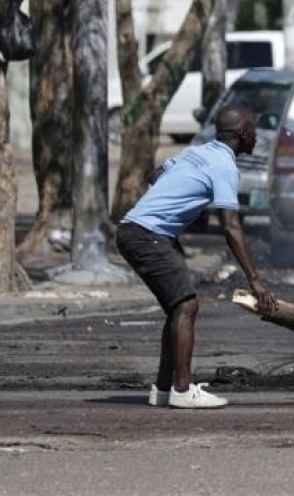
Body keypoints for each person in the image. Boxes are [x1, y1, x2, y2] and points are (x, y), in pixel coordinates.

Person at [116, 105, 277, 409]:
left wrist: (176, 207)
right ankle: (182, 388)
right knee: (186, 306)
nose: (256, 136)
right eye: (254, 130)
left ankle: (164, 389)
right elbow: (230, 226)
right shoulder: (224, 167)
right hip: (146, 235)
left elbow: (156, 175)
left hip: (135, 230)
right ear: (242, 133)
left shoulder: (196, 152)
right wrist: (255, 280)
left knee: (177, 308)